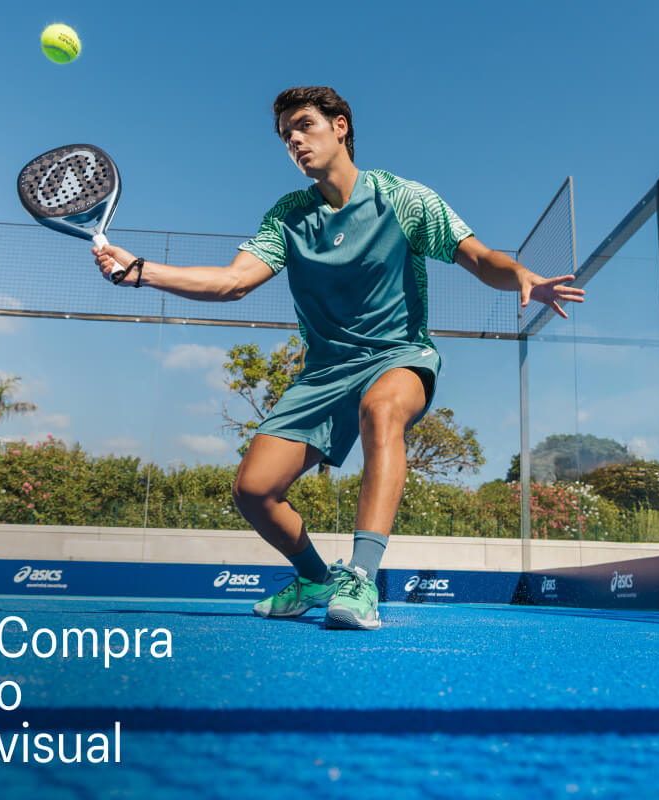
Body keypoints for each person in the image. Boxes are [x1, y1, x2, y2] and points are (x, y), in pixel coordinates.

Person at [94, 86, 585, 630]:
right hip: (325, 372)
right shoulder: (288, 216)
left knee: (382, 409)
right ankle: (314, 578)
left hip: (399, 355)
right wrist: (142, 271)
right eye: (286, 135)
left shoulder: (403, 198)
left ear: (341, 126)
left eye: (304, 125)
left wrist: (520, 275)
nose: (295, 141)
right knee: (253, 491)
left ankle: (362, 578)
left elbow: (478, 256)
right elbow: (234, 281)